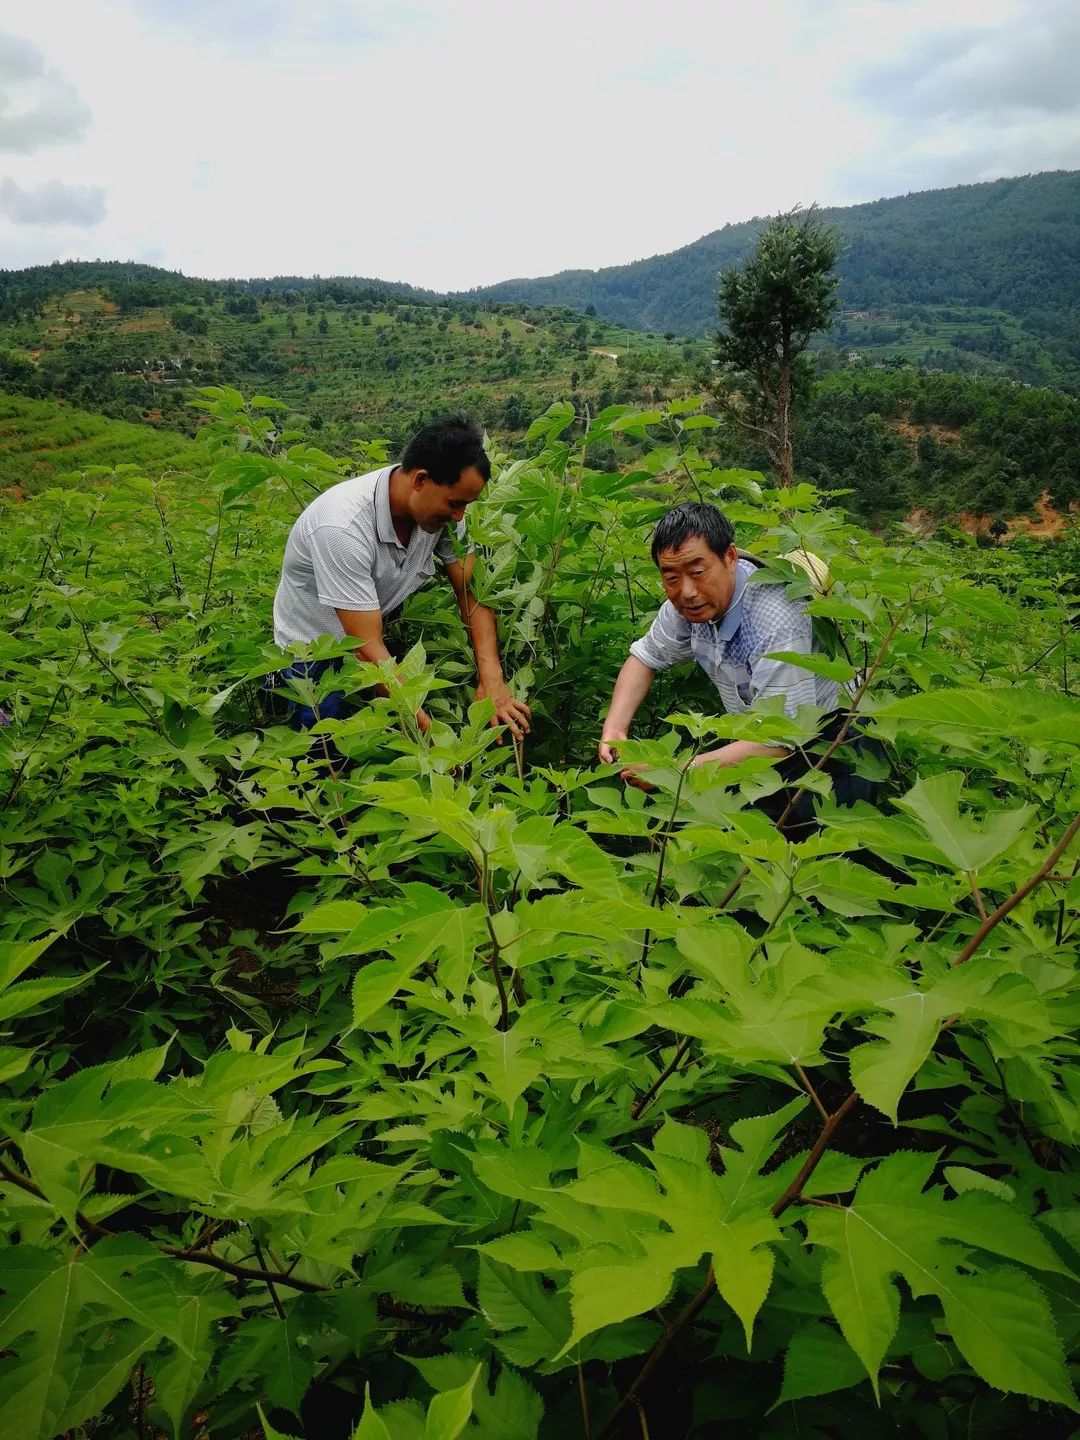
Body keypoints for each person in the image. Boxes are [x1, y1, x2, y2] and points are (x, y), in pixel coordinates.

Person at [598, 502, 869, 824]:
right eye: (671, 577)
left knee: (823, 847)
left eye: (698, 572)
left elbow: (779, 740)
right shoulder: (690, 606)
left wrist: (673, 772)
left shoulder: (775, 620)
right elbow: (645, 658)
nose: (687, 592)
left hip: (832, 744)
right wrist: (615, 728)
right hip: (757, 742)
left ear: (730, 557)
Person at [271, 413, 530, 743]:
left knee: (377, 746)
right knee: (326, 760)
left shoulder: (443, 517)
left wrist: (492, 678)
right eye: (455, 503)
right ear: (420, 480)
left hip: (370, 638)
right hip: (312, 658)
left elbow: (471, 591)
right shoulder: (341, 528)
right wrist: (431, 737)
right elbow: (365, 648)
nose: (460, 516)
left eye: (466, 505)